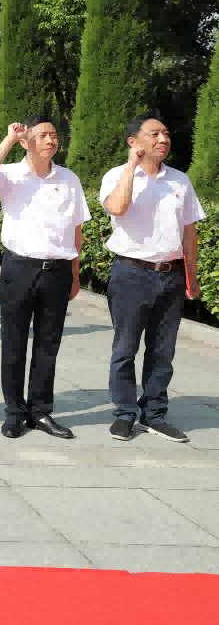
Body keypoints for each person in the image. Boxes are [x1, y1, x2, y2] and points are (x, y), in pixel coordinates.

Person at [0, 117, 89, 439]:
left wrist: (75, 272)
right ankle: (14, 411)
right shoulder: (11, 174)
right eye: (42, 135)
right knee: (13, 343)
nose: (50, 140)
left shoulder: (68, 179)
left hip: (57, 271)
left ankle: (40, 411)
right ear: (27, 141)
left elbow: (76, 229)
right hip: (19, 269)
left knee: (48, 345)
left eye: (54, 135)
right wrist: (9, 140)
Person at [99, 112, 204, 442]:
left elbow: (189, 232)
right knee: (125, 349)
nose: (163, 140)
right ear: (134, 142)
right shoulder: (116, 175)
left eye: (166, 134)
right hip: (131, 273)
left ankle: (155, 412)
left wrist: (192, 276)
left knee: (163, 351)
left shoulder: (179, 181)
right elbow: (116, 207)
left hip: (171, 277)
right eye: (155, 134)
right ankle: (125, 413)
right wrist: (132, 167)